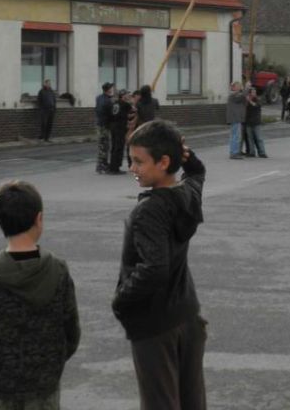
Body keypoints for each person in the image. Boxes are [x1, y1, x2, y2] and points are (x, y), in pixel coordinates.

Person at [113, 120, 207, 410]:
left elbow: (154, 268)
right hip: (187, 314)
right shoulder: (186, 194)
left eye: (139, 161)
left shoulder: (150, 210)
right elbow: (197, 174)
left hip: (155, 324)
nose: (132, 168)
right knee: (192, 400)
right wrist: (187, 158)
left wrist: (121, 300)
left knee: (160, 403)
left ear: (163, 162)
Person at [0, 180, 80, 410]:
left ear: (0, 221)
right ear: (39, 219)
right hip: (44, 383)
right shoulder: (58, 270)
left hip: (0, 384)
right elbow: (71, 331)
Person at [110, 89, 133, 175]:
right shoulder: (125, 104)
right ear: (123, 96)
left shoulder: (115, 103)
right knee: (119, 147)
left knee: (114, 146)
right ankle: (116, 168)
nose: (128, 96)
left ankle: (112, 166)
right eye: (127, 94)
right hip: (120, 127)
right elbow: (133, 110)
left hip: (113, 126)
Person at [95, 82, 115, 174]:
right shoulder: (108, 101)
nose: (112, 90)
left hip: (99, 124)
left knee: (101, 145)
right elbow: (111, 114)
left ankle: (101, 164)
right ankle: (102, 165)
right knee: (104, 145)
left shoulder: (99, 98)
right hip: (105, 125)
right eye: (111, 88)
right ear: (108, 90)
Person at [244, 86, 268, 158]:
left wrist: (249, 100)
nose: (254, 93)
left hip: (256, 122)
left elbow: (255, 105)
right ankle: (252, 152)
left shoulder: (258, 99)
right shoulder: (247, 101)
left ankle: (262, 152)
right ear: (249, 93)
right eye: (252, 92)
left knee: (259, 138)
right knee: (250, 138)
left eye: (254, 92)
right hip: (248, 122)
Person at [226, 81, 246, 160]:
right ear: (234, 87)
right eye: (238, 86)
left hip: (236, 118)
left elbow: (243, 98)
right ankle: (234, 153)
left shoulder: (235, 95)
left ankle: (234, 152)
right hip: (235, 118)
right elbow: (242, 96)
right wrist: (246, 88)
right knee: (236, 136)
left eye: (240, 86)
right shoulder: (233, 95)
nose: (240, 87)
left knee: (235, 136)